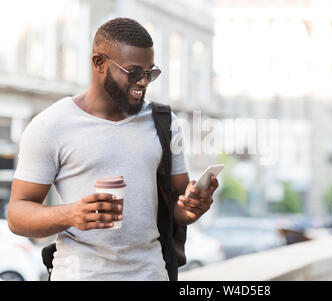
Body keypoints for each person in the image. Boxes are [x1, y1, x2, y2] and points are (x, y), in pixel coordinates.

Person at [7, 17, 218, 281]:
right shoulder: (51, 125)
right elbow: (17, 215)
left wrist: (193, 207)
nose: (143, 82)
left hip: (151, 275)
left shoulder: (165, 122)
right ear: (99, 63)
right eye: (133, 72)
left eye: (150, 72)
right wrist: (71, 214)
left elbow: (178, 208)